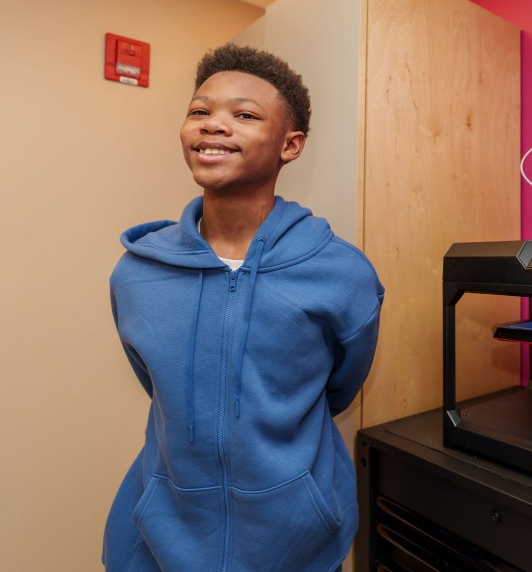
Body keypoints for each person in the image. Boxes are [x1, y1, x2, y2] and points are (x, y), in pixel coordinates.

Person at [102, 44, 384, 571]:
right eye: (199, 111)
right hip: (160, 535)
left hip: (296, 536)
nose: (213, 124)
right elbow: (157, 383)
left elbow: (338, 387)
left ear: (290, 145)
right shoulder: (136, 274)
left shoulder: (342, 274)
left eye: (245, 115)